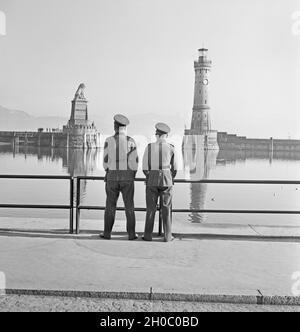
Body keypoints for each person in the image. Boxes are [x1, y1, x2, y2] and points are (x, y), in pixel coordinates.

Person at [100, 114, 139, 241]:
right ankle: (131, 234)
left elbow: (105, 162)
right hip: (127, 177)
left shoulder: (108, 141)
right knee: (129, 206)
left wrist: (108, 171)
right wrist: (131, 175)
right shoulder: (131, 141)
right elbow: (135, 162)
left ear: (115, 126)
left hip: (112, 177)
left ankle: (107, 233)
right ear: (125, 127)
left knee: (110, 206)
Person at [142, 123, 178, 242]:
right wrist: (170, 177)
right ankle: (167, 236)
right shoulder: (171, 148)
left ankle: (148, 235)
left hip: (152, 178)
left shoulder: (149, 147)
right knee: (166, 208)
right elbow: (175, 168)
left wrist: (149, 176)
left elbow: (144, 167)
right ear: (166, 135)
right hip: (167, 179)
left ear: (156, 134)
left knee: (150, 209)